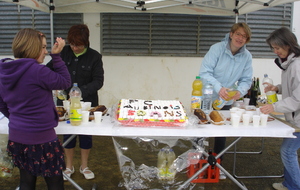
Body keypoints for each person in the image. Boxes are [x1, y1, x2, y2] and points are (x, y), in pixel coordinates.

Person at [0, 29, 71, 189]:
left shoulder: (3, 71)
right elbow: (65, 82)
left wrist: (17, 119)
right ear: (32, 48)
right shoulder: (38, 71)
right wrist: (57, 56)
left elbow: (1, 103)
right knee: (55, 183)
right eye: (43, 47)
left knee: (26, 182)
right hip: (43, 139)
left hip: (17, 137)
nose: (46, 52)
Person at [47, 24, 104, 180]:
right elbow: (47, 71)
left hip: (87, 103)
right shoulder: (63, 53)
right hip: (65, 103)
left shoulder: (95, 57)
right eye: (72, 44)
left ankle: (84, 166)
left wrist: (80, 91)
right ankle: (68, 166)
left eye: (78, 45)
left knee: (86, 134)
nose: (74, 48)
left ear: (86, 43)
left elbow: (98, 81)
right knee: (68, 134)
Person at [199, 22, 253, 179]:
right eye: (238, 34)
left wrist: (239, 91)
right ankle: (198, 161)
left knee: (221, 132)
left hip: (226, 101)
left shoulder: (247, 56)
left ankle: (218, 164)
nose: (240, 38)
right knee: (201, 130)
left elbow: (246, 80)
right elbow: (204, 72)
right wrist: (219, 87)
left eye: (244, 36)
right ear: (231, 34)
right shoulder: (217, 49)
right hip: (207, 97)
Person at [260, 27, 300, 190]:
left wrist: (274, 106)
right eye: (273, 48)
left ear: (288, 45)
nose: (275, 51)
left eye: (277, 48)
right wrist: (277, 88)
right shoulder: (289, 64)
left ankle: (296, 186)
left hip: (299, 119)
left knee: (287, 152)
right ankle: (289, 184)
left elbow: (298, 98)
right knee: (288, 150)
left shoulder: (297, 65)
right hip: (294, 118)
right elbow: (293, 87)